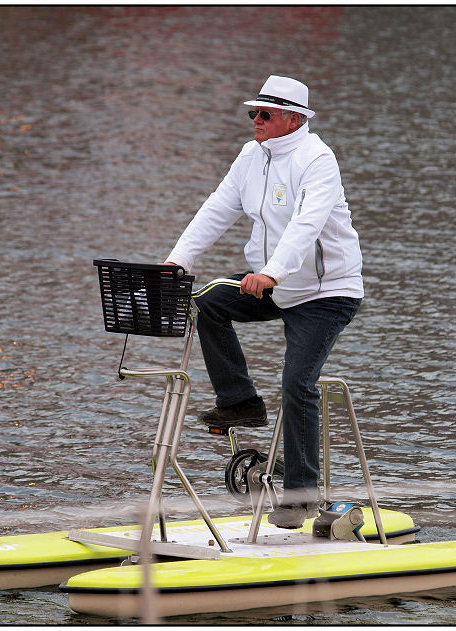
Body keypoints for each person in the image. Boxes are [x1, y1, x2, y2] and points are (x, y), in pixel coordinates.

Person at [165, 75, 363, 529]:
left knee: (297, 382)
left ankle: (300, 494)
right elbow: (217, 208)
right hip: (273, 283)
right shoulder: (251, 156)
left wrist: (272, 271)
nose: (256, 120)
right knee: (205, 301)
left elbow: (306, 226)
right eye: (253, 112)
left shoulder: (318, 159)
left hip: (325, 292)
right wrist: (176, 261)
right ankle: (240, 402)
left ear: (294, 119)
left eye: (265, 114)